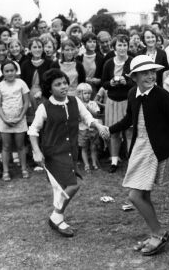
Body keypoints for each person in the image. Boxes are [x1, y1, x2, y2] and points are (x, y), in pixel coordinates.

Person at [108, 55, 169, 256]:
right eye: (144, 73)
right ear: (134, 76)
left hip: (155, 149)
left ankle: (158, 233)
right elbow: (129, 118)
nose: (150, 76)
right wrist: (109, 130)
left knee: (134, 196)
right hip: (139, 146)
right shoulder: (131, 94)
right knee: (143, 194)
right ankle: (155, 233)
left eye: (152, 71)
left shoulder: (162, 96)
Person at [28, 69, 109, 238]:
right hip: (53, 153)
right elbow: (33, 130)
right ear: (49, 89)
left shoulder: (75, 101)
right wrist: (36, 151)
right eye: (58, 84)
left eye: (64, 82)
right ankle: (56, 216)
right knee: (73, 185)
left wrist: (99, 126)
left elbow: (87, 117)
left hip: (71, 152)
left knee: (65, 186)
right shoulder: (44, 107)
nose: (63, 86)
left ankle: (57, 215)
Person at [101, 34, 134, 172]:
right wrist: (112, 83)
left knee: (129, 132)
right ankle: (114, 161)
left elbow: (136, 82)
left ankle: (132, 162)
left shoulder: (132, 61)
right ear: (114, 47)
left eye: (124, 45)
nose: (122, 48)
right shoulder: (108, 63)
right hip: (112, 102)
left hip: (128, 101)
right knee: (114, 133)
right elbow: (104, 83)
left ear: (128, 46)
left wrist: (127, 82)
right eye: (119, 45)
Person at [0, 61, 30, 181]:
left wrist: (20, 117)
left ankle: (24, 169)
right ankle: (5, 171)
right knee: (6, 146)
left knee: (20, 146)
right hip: (5, 121)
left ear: (16, 71)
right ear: (3, 72)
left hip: (19, 119)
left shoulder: (21, 83)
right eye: (7, 71)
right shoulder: (0, 86)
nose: (10, 73)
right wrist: (4, 118)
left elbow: (26, 102)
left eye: (12, 70)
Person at [21, 37, 53, 122]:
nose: (37, 49)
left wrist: (42, 92)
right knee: (32, 121)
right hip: (29, 96)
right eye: (34, 47)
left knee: (44, 119)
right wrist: (26, 100)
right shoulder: (25, 64)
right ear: (30, 49)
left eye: (39, 47)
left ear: (43, 49)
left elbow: (51, 82)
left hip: (45, 95)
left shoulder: (49, 63)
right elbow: (23, 83)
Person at [76, 83, 101, 172]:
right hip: (83, 129)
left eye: (89, 93)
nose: (88, 95)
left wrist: (88, 110)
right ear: (79, 94)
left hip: (93, 129)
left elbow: (97, 114)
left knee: (93, 147)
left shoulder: (93, 103)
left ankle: (94, 163)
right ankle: (86, 165)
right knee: (84, 147)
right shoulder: (77, 104)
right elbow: (77, 118)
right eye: (85, 93)